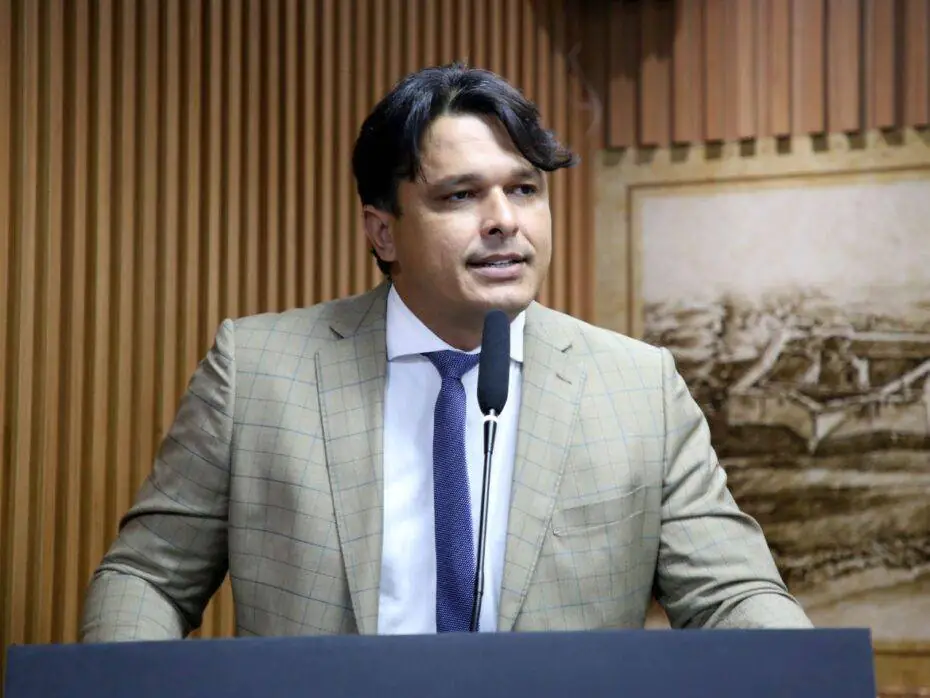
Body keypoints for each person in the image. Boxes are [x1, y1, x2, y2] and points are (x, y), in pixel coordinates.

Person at [80, 63, 812, 642]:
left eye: (524, 189)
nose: (504, 221)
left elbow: (732, 594)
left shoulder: (639, 387)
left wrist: (805, 672)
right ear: (383, 231)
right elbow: (148, 578)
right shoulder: (257, 371)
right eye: (461, 195)